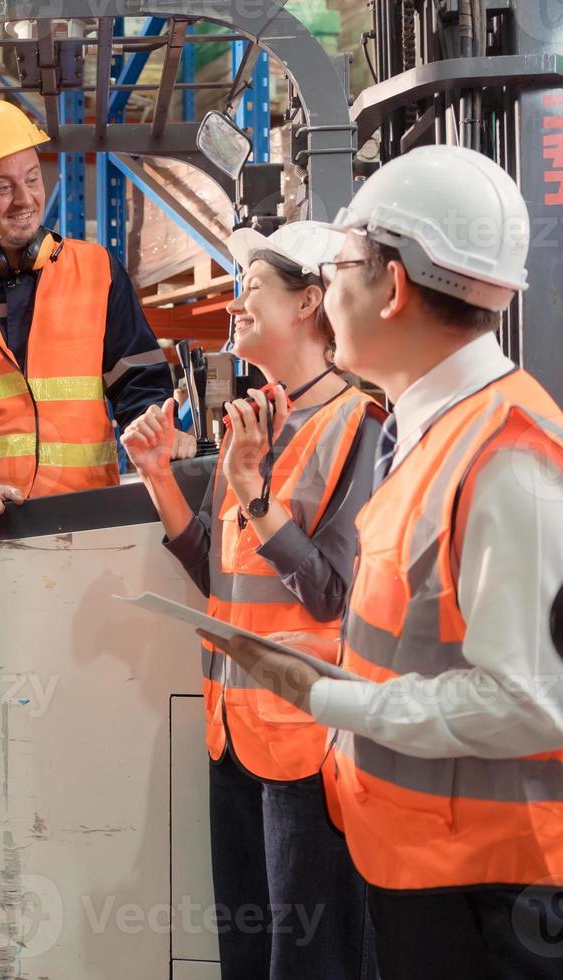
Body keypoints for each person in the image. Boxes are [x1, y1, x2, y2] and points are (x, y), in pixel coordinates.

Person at [200, 145, 563, 977]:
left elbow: (531, 703)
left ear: (393, 287)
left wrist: (337, 702)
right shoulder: (428, 430)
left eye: (340, 269)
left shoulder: (505, 454)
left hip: (489, 895)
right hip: (421, 865)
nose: (325, 295)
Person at [0, 95, 171, 958]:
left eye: (31, 179)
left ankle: (79, 883)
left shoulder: (95, 270)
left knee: (84, 707)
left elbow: (138, 379)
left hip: (82, 530)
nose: (22, 200)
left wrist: (152, 437)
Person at [123, 222, 382, 979]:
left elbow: (329, 591)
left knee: (307, 962)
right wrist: (158, 477)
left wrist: (253, 494)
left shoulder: (359, 429)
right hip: (231, 734)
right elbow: (218, 577)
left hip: (308, 741)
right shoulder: (256, 417)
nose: (234, 306)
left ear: (307, 304)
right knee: (245, 956)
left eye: (250, 291)